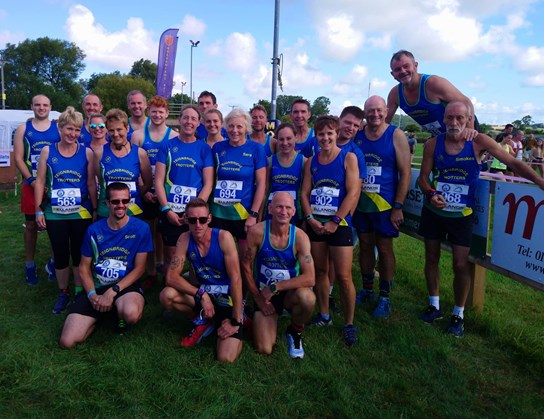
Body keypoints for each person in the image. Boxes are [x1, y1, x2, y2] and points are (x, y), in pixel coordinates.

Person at [417, 101, 544, 337]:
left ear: (468, 120)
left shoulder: (479, 141)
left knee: (460, 264)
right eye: (450, 118)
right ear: (443, 119)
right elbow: (422, 179)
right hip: (434, 212)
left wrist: (539, 182)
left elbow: (513, 163)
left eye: (459, 118)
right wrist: (431, 193)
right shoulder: (433, 144)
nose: (454, 123)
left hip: (462, 215)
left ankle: (458, 313)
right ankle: (434, 305)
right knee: (431, 257)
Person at [59, 182, 153, 348]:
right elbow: (83, 267)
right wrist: (92, 296)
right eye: (115, 202)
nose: (121, 205)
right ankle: (100, 316)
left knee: (131, 314)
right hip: (97, 286)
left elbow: (139, 269)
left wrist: (112, 292)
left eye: (125, 201)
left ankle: (116, 311)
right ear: (107, 203)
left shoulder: (141, 228)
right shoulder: (93, 230)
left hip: (124, 287)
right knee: (67, 342)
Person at [300, 115, 360, 346]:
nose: (325, 138)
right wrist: (310, 218)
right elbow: (305, 192)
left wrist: (335, 220)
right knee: (321, 271)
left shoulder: (348, 157)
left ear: (336, 135)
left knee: (344, 276)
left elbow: (353, 192)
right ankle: (324, 315)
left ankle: (349, 323)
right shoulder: (312, 161)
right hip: (317, 223)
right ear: (316, 136)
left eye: (329, 134)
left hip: (340, 224)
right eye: (321, 134)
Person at [160, 198, 243, 362]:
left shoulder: (223, 238)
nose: (198, 225)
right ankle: (202, 320)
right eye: (192, 220)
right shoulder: (184, 239)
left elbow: (236, 279)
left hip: (226, 298)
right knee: (166, 295)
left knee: (226, 358)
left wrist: (236, 320)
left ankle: (240, 318)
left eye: (202, 220)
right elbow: (171, 277)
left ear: (209, 218)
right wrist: (201, 294)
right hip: (203, 293)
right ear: (185, 219)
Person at [352, 96, 411, 318]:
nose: (374, 114)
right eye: (370, 111)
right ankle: (367, 289)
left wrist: (398, 205)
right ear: (364, 113)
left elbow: (405, 173)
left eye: (378, 110)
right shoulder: (358, 136)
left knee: (385, 250)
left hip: (386, 205)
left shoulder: (396, 135)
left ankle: (385, 296)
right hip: (362, 203)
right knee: (365, 247)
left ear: (386, 111)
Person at [34, 106, 97, 314]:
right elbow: (40, 180)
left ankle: (80, 292)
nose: (73, 134)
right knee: (60, 253)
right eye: (69, 129)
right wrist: (38, 210)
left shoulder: (86, 152)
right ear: (60, 128)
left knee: (80, 254)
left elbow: (90, 183)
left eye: (77, 130)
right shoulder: (47, 151)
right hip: (55, 212)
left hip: (81, 211)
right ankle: (63, 292)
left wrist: (95, 208)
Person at [242, 192, 315, 358]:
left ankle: (295, 331)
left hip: (289, 293)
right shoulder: (257, 232)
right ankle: (267, 316)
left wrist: (275, 287)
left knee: (308, 298)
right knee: (264, 348)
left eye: (288, 207)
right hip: (264, 295)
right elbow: (246, 266)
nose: (284, 211)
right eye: (279, 207)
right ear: (270, 209)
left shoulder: (300, 237)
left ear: (294, 211)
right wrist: (259, 299)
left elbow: (310, 277)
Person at [155, 104, 214, 267]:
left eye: (193, 118)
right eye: (185, 117)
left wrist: (194, 211)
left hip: (195, 212)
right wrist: (167, 210)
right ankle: (169, 286)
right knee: (172, 256)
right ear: (179, 120)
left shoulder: (204, 148)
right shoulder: (166, 146)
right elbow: (158, 181)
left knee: (197, 254)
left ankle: (193, 288)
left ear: (198, 123)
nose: (189, 121)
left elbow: (208, 183)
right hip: (171, 210)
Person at [13, 94, 60, 285]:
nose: (41, 108)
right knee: (32, 225)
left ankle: (54, 262)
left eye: (45, 105)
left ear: (50, 107)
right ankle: (30, 265)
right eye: (37, 105)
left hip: (54, 185)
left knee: (55, 226)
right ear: (31, 106)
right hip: (31, 184)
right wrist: (32, 180)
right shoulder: (24, 129)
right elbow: (18, 158)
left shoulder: (58, 128)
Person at [131, 96, 177, 287]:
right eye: (154, 111)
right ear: (148, 112)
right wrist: (143, 190)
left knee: (163, 233)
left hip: (165, 192)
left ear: (167, 113)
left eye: (161, 111)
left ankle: (161, 266)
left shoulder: (174, 136)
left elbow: (175, 168)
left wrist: (162, 192)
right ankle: (150, 271)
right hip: (145, 190)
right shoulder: (138, 136)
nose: (157, 115)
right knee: (147, 232)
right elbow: (133, 165)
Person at [210, 108, 267, 256]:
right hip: (219, 212)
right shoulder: (218, 148)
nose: (234, 130)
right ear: (225, 127)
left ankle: (244, 280)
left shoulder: (256, 149)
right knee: (219, 254)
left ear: (247, 128)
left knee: (245, 257)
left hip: (243, 213)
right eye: (231, 126)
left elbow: (261, 184)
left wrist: (253, 214)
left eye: (239, 126)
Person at [386, 50, 477, 136]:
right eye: (397, 69)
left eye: (406, 66)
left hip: (465, 130)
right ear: (392, 74)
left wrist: (470, 130)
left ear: (415, 66)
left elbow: (466, 102)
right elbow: (385, 122)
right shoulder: (395, 95)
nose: (403, 71)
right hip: (441, 136)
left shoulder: (434, 83)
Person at [94, 109, 152, 219]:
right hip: (106, 212)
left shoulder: (140, 153)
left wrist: (133, 195)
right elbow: (101, 181)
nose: (115, 134)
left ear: (127, 128)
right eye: (111, 130)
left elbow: (148, 183)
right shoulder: (99, 153)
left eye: (119, 129)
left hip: (133, 211)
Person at [265, 123, 305, 224]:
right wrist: (259, 215)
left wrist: (306, 219)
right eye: (281, 139)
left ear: (295, 138)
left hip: (295, 215)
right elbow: (264, 190)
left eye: (289, 138)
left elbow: (306, 193)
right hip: (272, 214)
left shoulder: (304, 162)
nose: (285, 143)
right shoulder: (269, 161)